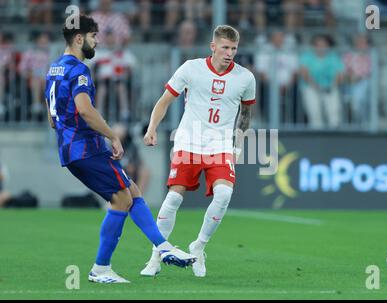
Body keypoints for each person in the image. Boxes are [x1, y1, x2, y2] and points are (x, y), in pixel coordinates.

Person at [44, 14, 195, 284]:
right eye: (92, 37)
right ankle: (101, 268)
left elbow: (52, 119)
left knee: (131, 190)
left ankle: (163, 247)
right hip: (85, 148)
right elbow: (85, 110)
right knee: (121, 199)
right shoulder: (78, 70)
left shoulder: (54, 69)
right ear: (79, 38)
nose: (95, 42)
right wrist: (112, 136)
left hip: (72, 148)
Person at [141, 25, 256, 278]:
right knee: (173, 199)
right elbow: (164, 101)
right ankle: (155, 257)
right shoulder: (191, 68)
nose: (229, 53)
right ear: (213, 46)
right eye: (225, 47)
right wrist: (152, 129)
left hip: (221, 144)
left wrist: (237, 146)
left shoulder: (245, 78)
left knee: (224, 194)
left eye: (234, 48)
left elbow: (245, 115)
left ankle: (199, 247)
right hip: (188, 141)